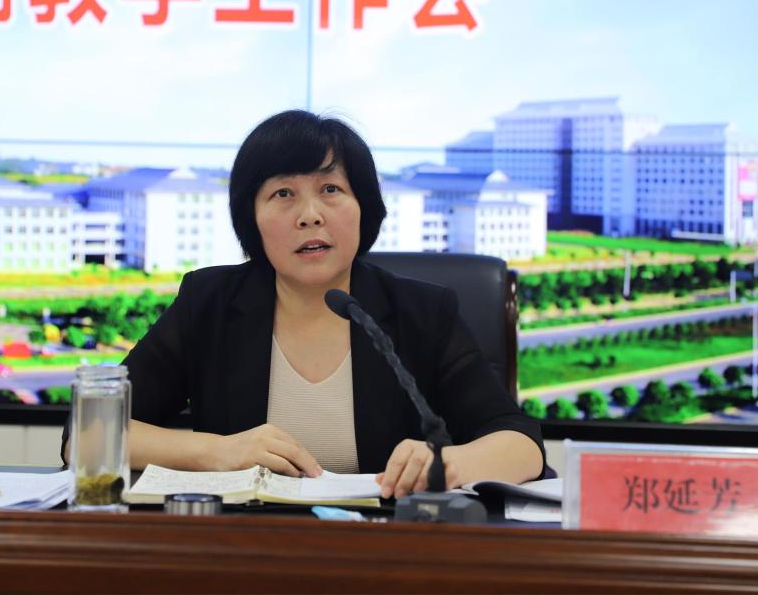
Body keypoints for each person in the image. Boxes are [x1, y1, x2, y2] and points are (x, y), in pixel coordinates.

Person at [64, 110, 546, 499]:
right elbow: (86, 437)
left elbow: (522, 446)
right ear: (252, 219)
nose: (309, 215)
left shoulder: (422, 312)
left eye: (330, 189)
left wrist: (446, 465)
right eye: (283, 194)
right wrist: (219, 452)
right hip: (242, 551)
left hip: (386, 553)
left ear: (364, 207)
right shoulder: (209, 303)